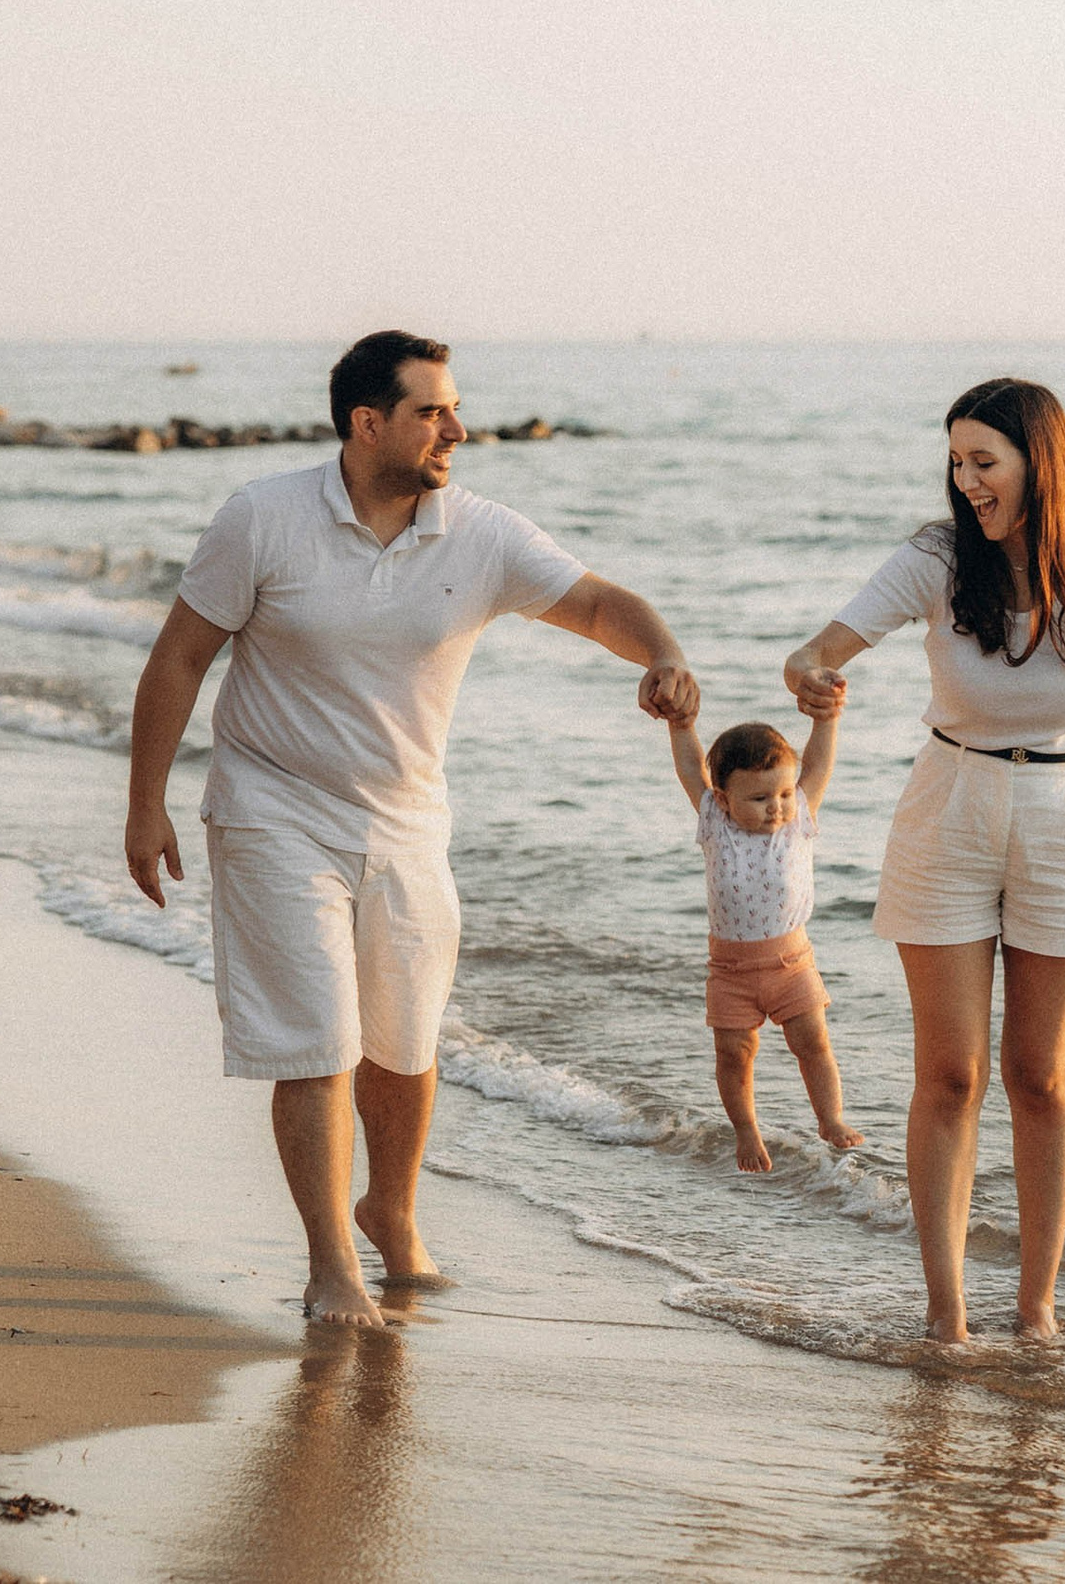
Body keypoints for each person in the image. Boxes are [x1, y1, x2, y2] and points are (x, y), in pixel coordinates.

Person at [124, 329, 698, 1328]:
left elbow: (597, 602)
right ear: (367, 423)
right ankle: (330, 1264)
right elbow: (180, 657)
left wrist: (660, 655)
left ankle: (389, 1213)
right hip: (272, 807)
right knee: (318, 1039)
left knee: (403, 1040)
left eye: (454, 408)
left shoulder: (479, 534)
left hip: (408, 821)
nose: (457, 430)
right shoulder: (262, 519)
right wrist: (145, 804)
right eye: (433, 411)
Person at [782, 377, 1065, 1342]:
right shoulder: (935, 558)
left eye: (984, 461)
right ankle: (946, 1312)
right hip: (949, 810)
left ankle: (1038, 1309)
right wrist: (810, 674)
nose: (966, 481)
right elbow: (820, 646)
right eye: (957, 461)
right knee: (951, 1074)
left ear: (1035, 463)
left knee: (1042, 1076)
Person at [665, 704, 865, 1172]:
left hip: (792, 964)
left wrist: (826, 722)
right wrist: (682, 727)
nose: (776, 806)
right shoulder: (715, 824)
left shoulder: (798, 820)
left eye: (782, 793)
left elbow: (817, 767)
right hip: (731, 972)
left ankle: (830, 1116)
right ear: (723, 799)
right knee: (734, 1054)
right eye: (759, 798)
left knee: (813, 1042)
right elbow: (690, 771)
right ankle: (746, 1129)